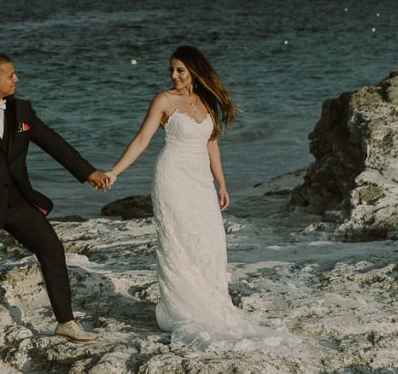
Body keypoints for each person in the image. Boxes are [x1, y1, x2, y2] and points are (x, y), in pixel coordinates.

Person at [104, 45, 283, 349]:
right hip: (171, 177)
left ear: (194, 70)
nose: (173, 75)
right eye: (171, 70)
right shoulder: (164, 100)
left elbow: (212, 145)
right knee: (178, 240)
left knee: (210, 239)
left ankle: (210, 299)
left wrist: (222, 185)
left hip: (200, 181)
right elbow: (142, 139)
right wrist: (115, 171)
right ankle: (182, 307)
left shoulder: (207, 101)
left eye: (180, 70)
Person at [0, 54, 110, 360]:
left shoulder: (23, 109)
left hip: (20, 202)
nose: (16, 79)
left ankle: (66, 322)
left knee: (52, 250)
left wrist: (89, 173)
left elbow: (54, 144)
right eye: (11, 75)